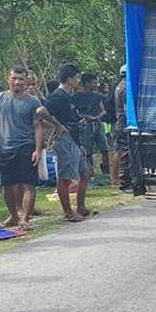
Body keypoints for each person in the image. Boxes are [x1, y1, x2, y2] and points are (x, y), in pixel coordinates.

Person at [0, 67, 45, 231]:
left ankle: (25, 218)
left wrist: (38, 149)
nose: (17, 81)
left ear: (26, 80)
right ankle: (13, 215)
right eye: (14, 78)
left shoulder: (33, 101)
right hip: (6, 147)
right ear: (8, 79)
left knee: (28, 184)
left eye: (21, 78)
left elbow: (38, 126)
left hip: (26, 146)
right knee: (8, 185)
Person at [45, 64, 92, 221]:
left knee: (85, 172)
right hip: (65, 139)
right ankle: (67, 212)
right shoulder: (58, 96)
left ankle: (81, 206)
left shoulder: (68, 96)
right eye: (77, 77)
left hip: (74, 138)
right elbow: (42, 111)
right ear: (70, 79)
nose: (78, 81)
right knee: (65, 177)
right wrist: (58, 126)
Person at [73, 72, 110, 175]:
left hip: (98, 124)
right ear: (87, 83)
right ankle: (90, 172)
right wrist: (86, 117)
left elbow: (103, 110)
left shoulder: (97, 96)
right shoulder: (78, 97)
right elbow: (76, 112)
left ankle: (106, 172)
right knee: (88, 150)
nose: (96, 85)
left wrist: (97, 117)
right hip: (85, 125)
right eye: (94, 83)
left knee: (105, 148)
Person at [113, 66, 130, 191]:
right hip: (124, 123)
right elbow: (127, 109)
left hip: (120, 123)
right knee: (125, 152)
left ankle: (119, 180)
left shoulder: (119, 86)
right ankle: (123, 182)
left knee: (120, 151)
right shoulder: (125, 88)